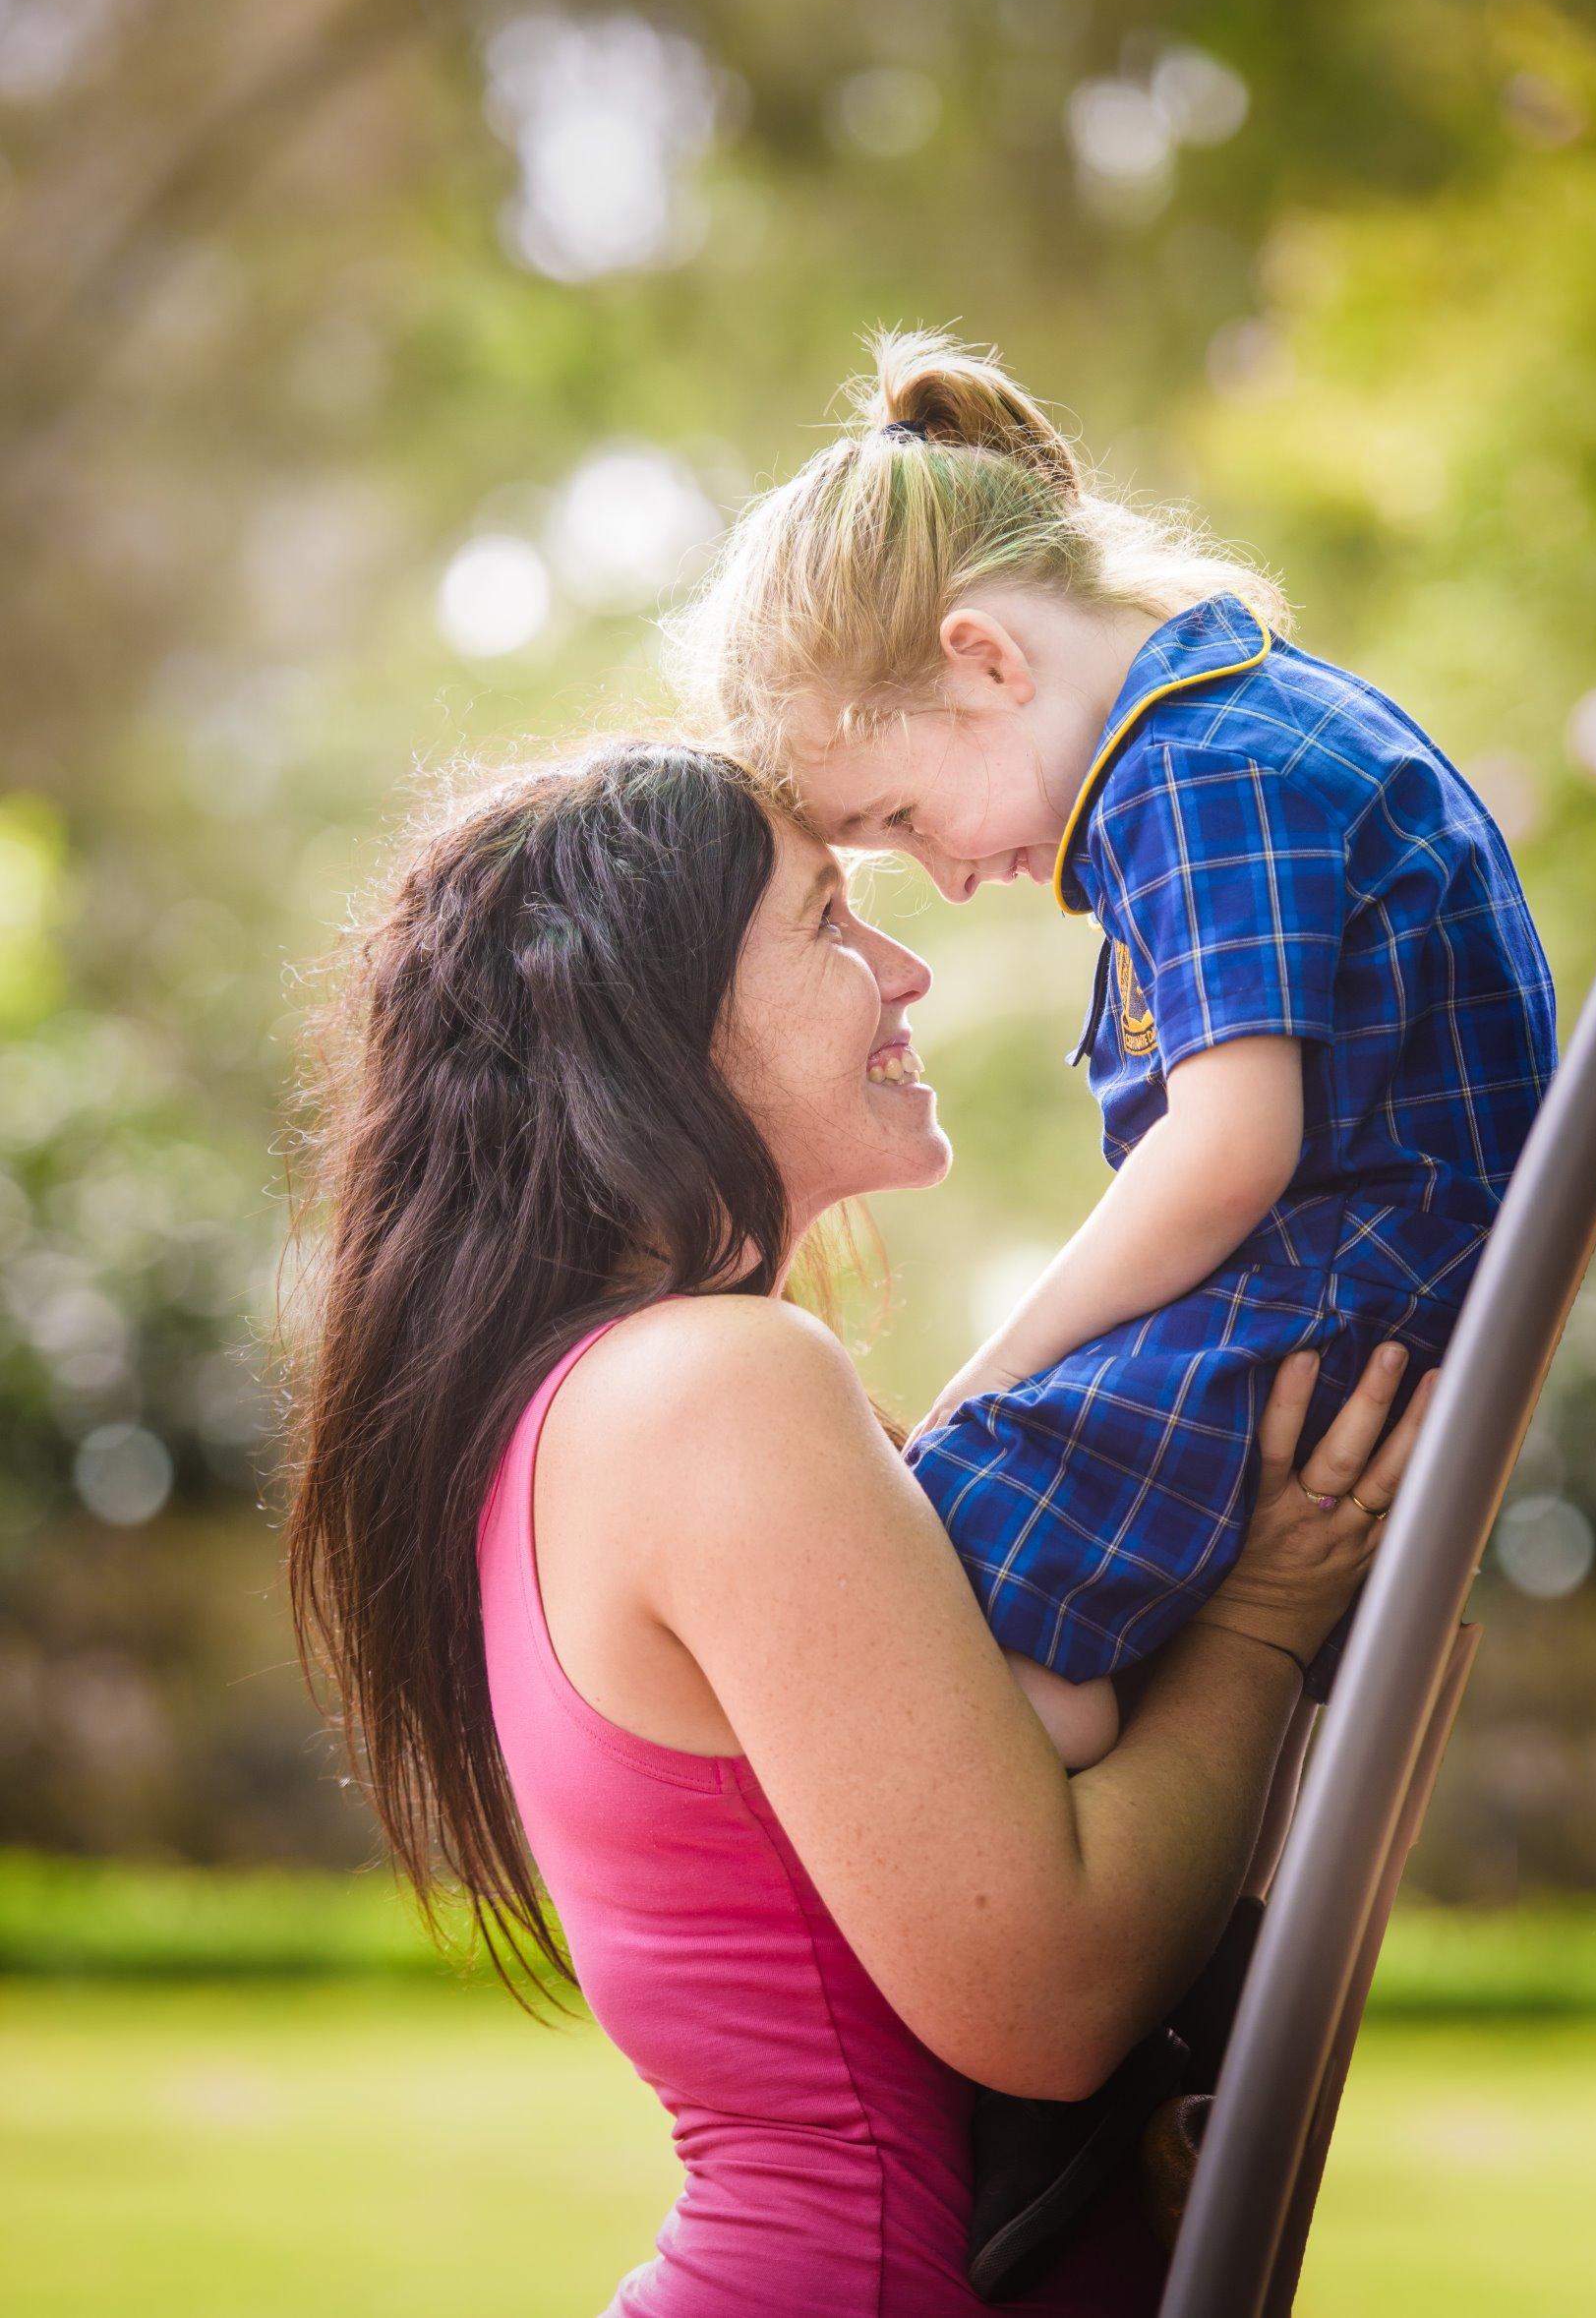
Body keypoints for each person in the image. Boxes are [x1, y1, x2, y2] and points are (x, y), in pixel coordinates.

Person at [285, 741, 1435, 2318]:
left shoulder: (602, 1400)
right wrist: (1254, 1626)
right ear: (654, 1022)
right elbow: (1047, 1993)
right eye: (828, 918)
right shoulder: (711, 1387)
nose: (907, 973)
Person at [670, 327, 1556, 1757]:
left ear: (985, 659)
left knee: (918, 1556)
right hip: (1342, 1296)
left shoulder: (1202, 770)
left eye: (900, 819)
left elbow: (1225, 1154)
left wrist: (988, 1384)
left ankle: (1053, 1883)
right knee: (932, 1577)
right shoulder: (1227, 732)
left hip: (1335, 1303)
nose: (946, 878)